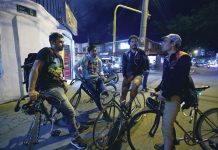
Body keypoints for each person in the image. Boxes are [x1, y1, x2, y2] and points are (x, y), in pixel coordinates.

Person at [28, 32, 88, 149]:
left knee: (67, 107)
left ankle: (73, 124)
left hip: (58, 87)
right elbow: (34, 69)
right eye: (59, 42)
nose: (62, 44)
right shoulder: (46, 52)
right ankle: (75, 138)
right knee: (70, 111)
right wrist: (31, 90)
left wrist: (63, 82)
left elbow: (57, 73)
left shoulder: (59, 57)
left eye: (63, 42)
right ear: (52, 43)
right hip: (47, 88)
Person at [154, 34, 192, 150]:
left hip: (176, 95)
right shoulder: (167, 58)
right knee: (168, 123)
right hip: (168, 94)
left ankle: (168, 146)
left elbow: (180, 81)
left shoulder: (183, 57)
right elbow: (166, 79)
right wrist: (156, 89)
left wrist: (164, 94)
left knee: (166, 126)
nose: (162, 44)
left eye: (165, 41)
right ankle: (169, 144)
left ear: (173, 44)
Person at [73, 45, 107, 112]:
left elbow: (101, 70)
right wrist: (80, 77)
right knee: (96, 96)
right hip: (88, 80)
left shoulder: (98, 60)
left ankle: (101, 99)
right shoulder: (85, 58)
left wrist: (102, 75)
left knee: (105, 92)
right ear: (89, 52)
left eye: (95, 50)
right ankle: (103, 112)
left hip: (98, 79)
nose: (95, 52)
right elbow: (74, 67)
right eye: (93, 51)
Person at [120, 35, 148, 111]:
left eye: (135, 41)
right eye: (132, 41)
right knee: (123, 93)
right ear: (129, 43)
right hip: (128, 75)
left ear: (137, 43)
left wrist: (146, 69)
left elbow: (146, 63)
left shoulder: (141, 52)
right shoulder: (126, 53)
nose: (134, 43)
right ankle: (122, 108)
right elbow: (124, 66)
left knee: (135, 85)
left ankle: (130, 102)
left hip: (137, 74)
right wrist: (124, 76)